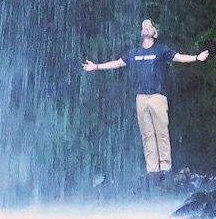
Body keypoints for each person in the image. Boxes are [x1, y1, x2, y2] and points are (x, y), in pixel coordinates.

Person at [82, 19, 208, 184]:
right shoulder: (134, 53)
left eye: (149, 26)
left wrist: (196, 58)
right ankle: (152, 170)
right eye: (143, 27)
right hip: (141, 97)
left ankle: (165, 168)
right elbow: (117, 63)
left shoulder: (161, 50)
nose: (145, 28)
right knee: (147, 135)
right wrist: (96, 67)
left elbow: (179, 58)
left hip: (157, 96)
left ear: (154, 33)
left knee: (161, 133)